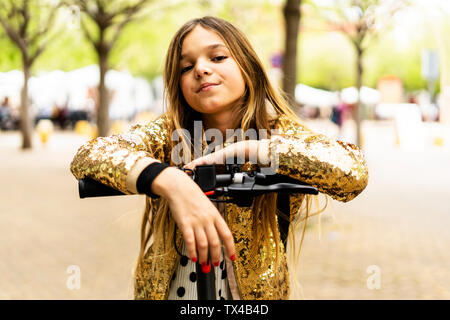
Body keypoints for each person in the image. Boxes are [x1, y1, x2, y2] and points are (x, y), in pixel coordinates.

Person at [70, 16, 369, 300]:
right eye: (186, 67)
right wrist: (168, 180)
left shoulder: (280, 132)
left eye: (217, 57)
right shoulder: (168, 133)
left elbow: (353, 171)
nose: (200, 69)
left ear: (248, 66)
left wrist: (254, 148)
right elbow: (89, 155)